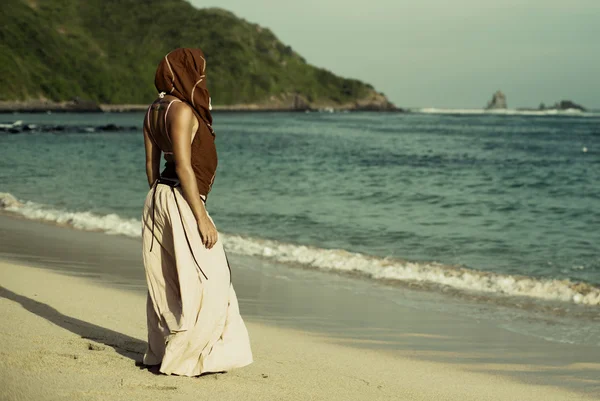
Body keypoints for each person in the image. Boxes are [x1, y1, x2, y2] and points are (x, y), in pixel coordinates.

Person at [140, 48, 253, 376]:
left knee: (171, 279)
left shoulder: (152, 110)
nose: (202, 79)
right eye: (198, 72)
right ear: (182, 73)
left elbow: (151, 165)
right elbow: (186, 167)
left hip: (159, 194)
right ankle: (195, 357)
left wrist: (157, 202)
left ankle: (165, 350)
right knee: (212, 278)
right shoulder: (183, 111)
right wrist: (199, 216)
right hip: (180, 198)